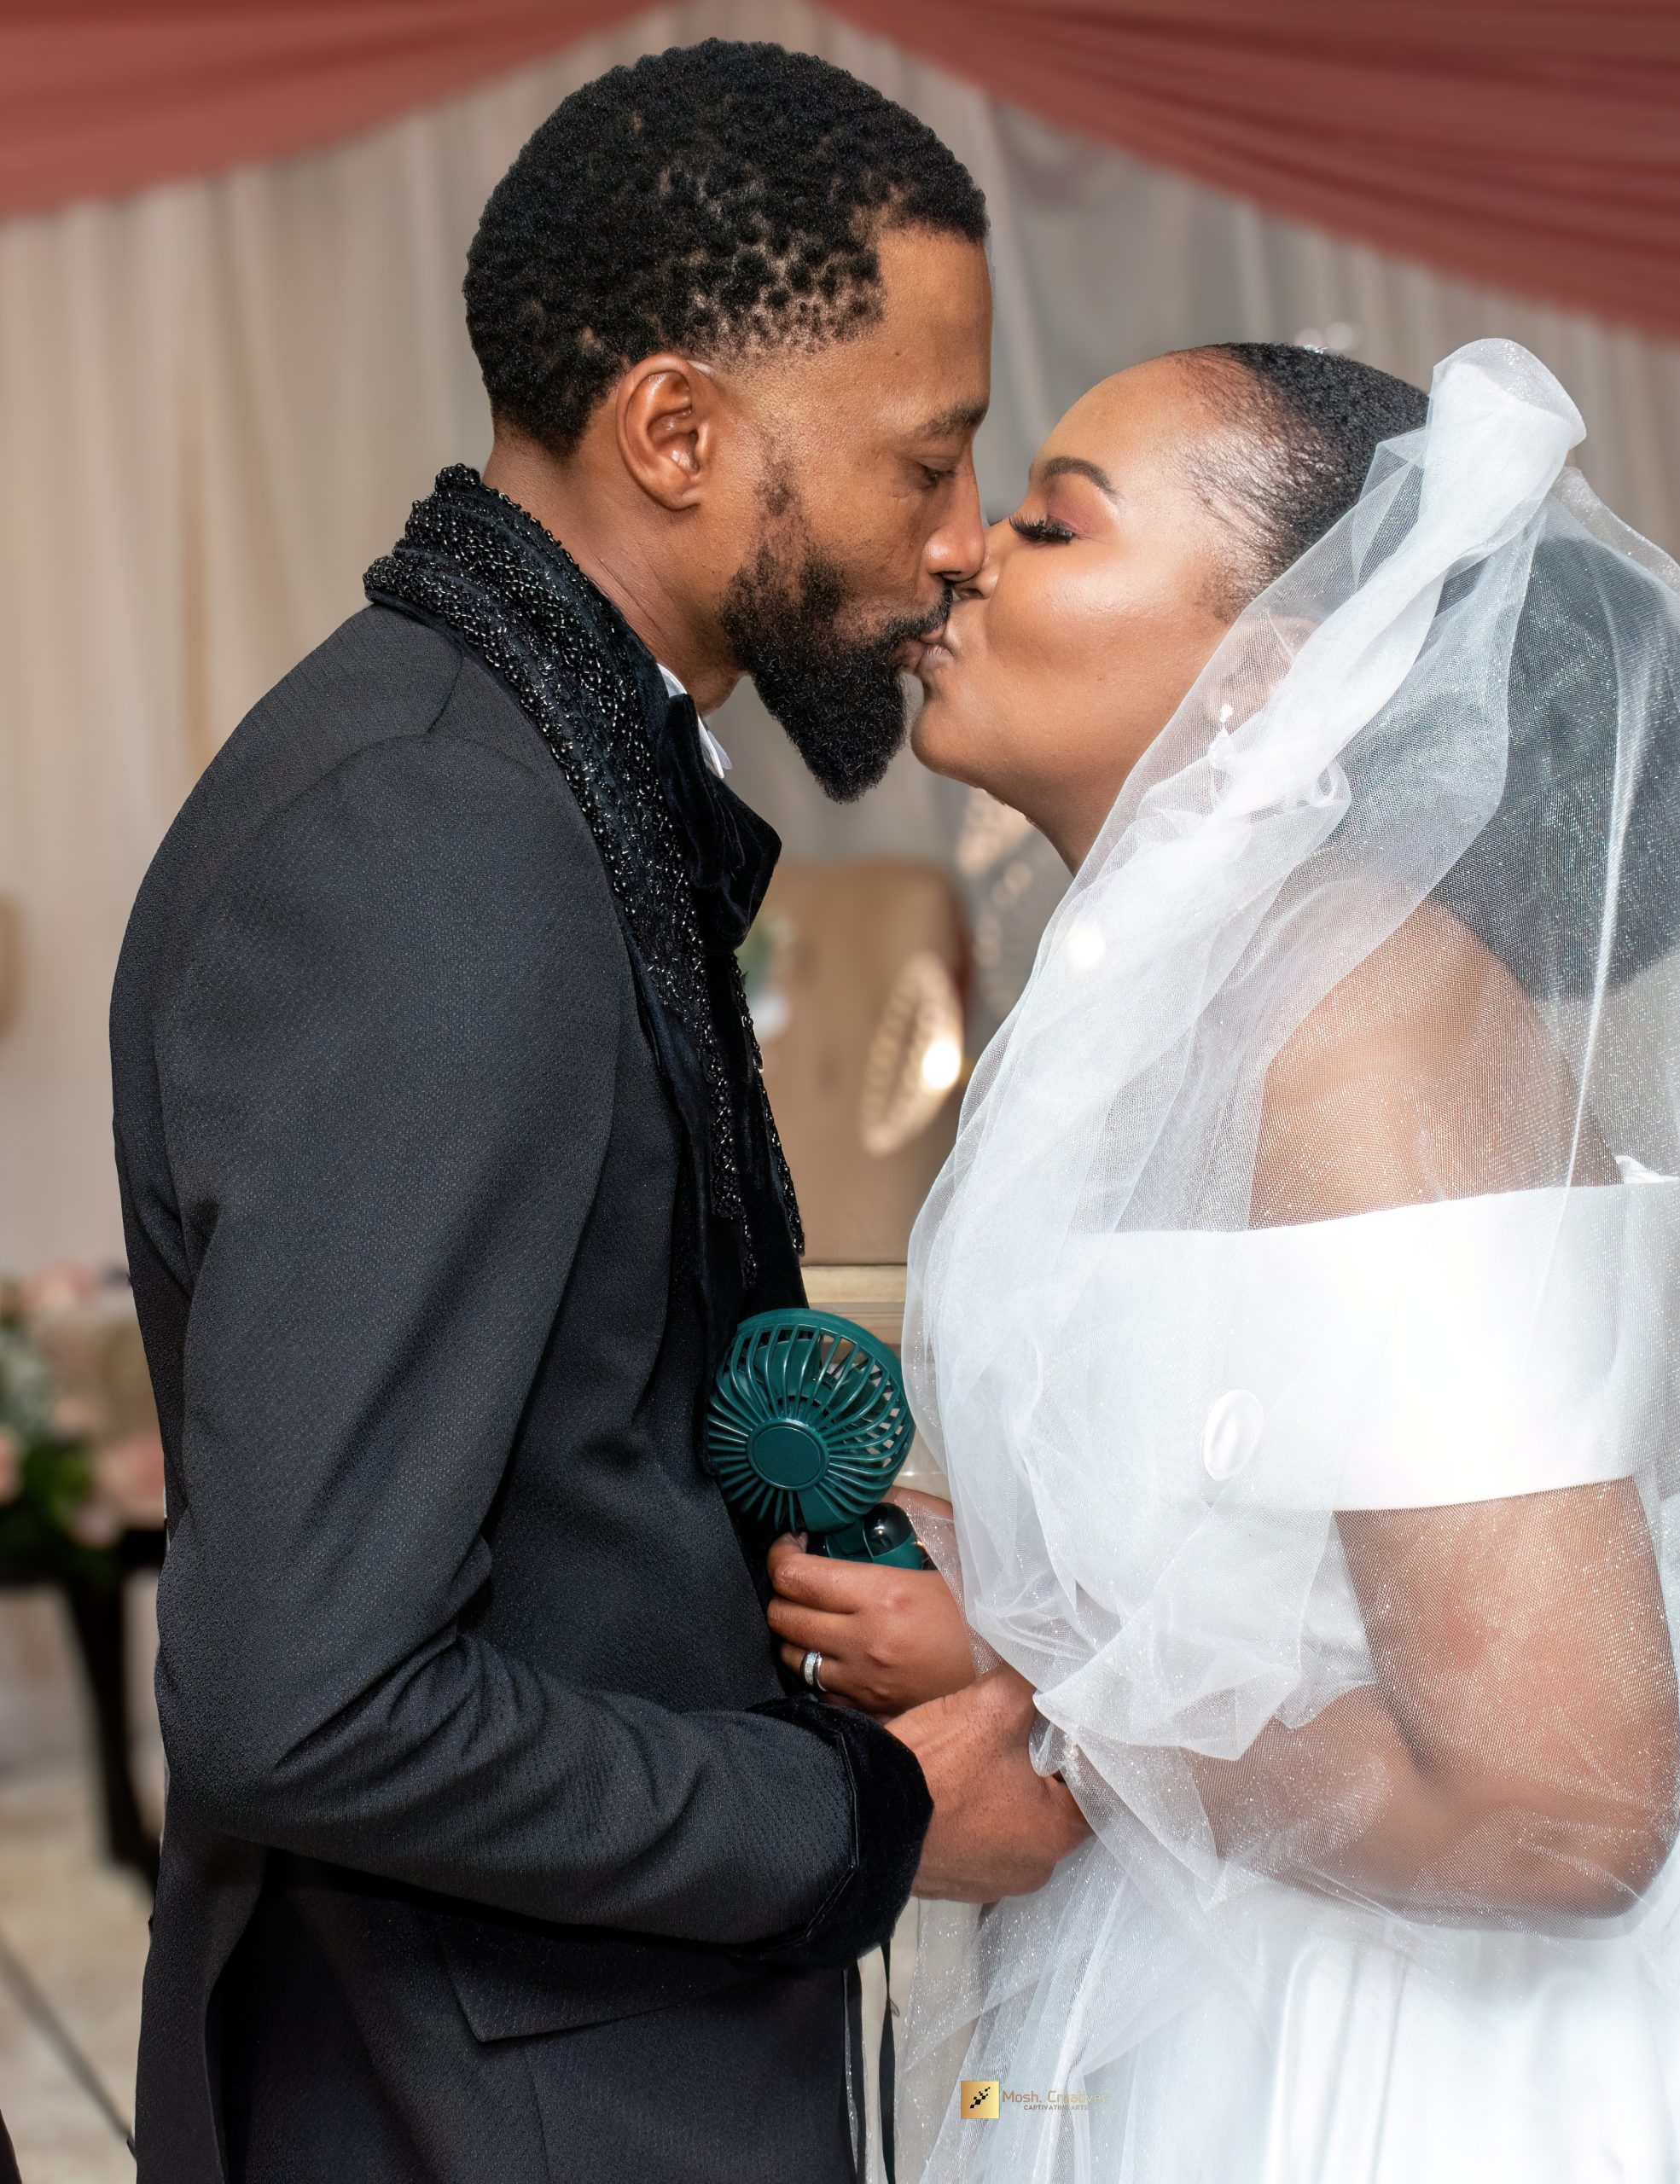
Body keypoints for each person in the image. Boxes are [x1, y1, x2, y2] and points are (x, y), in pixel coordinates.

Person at [764, 339, 1680, 2181]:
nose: (962, 555)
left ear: (1272, 666)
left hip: (1452, 2056)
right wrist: (995, 1577)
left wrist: (1068, 1723)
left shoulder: (1369, 1015)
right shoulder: (1184, 1006)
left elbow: (1560, 1798)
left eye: (1053, 523)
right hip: (1232, 1964)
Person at [111, 43, 1079, 2184]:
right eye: (923, 458)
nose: (955, 540)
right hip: (504, 2096)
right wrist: (865, 1815)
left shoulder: (527, 760)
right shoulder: (429, 844)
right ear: (675, 431)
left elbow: (557, 1452)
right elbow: (306, 1700)